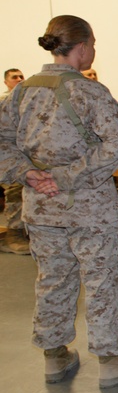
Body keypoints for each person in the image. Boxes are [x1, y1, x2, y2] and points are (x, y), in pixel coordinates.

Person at [0, 16, 118, 386]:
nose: (93, 51)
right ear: (81, 47)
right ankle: (112, 360)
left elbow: (3, 144)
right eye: (93, 44)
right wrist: (66, 176)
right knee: (103, 280)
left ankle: (55, 357)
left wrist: (29, 174)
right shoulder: (90, 92)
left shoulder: (19, 94)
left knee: (52, 278)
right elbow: (115, 145)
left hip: (40, 206)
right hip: (89, 207)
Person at [2, 68, 30, 254]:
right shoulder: (4, 101)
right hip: (5, 157)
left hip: (19, 155)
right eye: (14, 77)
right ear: (6, 82)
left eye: (21, 76)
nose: (19, 79)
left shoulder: (24, 101)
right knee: (16, 184)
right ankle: (13, 234)